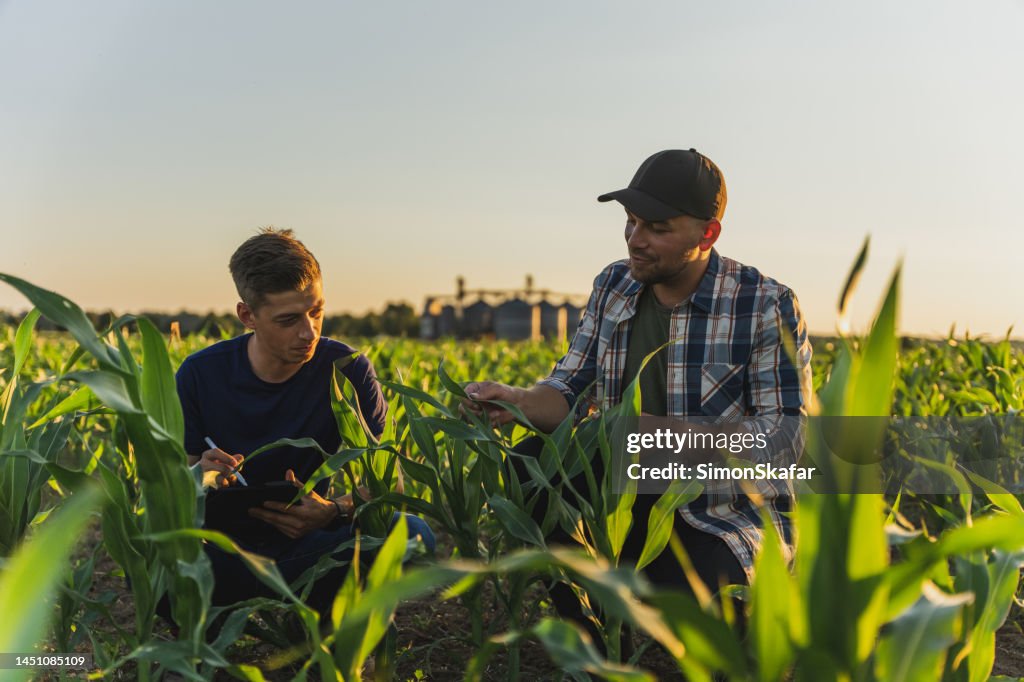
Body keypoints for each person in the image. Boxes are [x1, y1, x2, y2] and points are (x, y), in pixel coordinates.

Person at [463, 148, 812, 630]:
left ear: (707, 233)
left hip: (717, 512)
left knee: (708, 617)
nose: (635, 240)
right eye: (630, 222)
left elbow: (784, 438)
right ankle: (594, 643)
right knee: (531, 465)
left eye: (657, 228)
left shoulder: (765, 304)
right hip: (620, 503)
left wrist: (656, 435)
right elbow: (568, 389)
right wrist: (519, 401)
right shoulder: (613, 285)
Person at [176, 227, 435, 618]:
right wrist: (201, 475)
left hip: (311, 547)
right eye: (288, 319)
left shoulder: (346, 370)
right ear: (247, 315)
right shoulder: (199, 375)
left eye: (317, 311)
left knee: (413, 534)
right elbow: (172, 487)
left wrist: (333, 510)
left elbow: (389, 483)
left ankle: (324, 622)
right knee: (146, 555)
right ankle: (211, 642)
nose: (309, 331)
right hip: (222, 553)